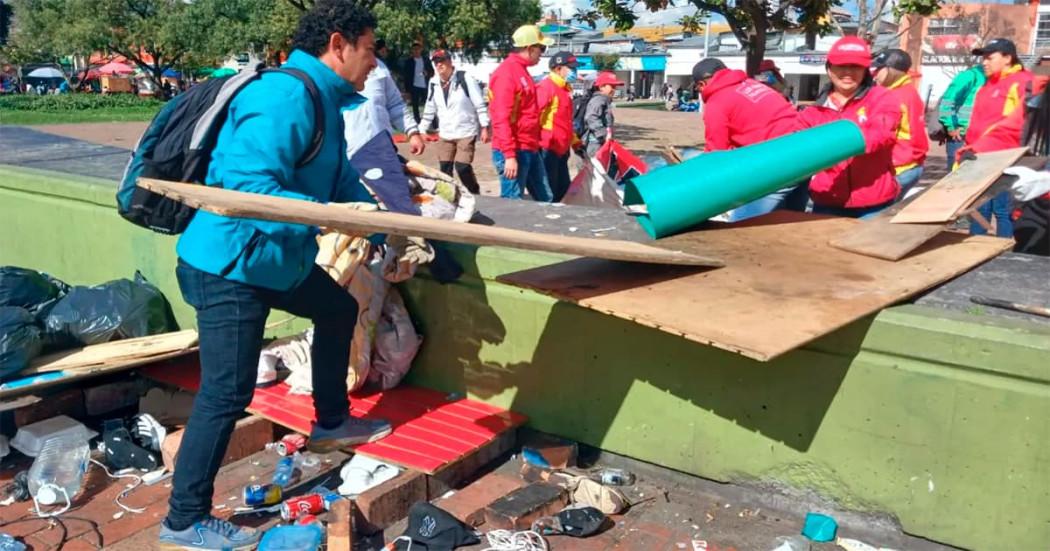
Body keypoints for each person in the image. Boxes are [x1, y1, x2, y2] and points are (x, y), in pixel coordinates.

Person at [158, 3, 391, 549]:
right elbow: (247, 189)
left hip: (275, 259)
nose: (374, 64)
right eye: (370, 49)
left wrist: (384, 222)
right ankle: (183, 520)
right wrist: (333, 215)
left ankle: (331, 421)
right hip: (231, 266)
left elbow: (339, 177)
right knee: (225, 390)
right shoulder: (284, 96)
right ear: (339, 44)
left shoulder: (323, 102)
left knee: (337, 309)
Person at [796, 36, 902, 218]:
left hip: (874, 203)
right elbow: (796, 149)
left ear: (865, 70)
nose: (847, 72)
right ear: (829, 69)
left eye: (855, 66)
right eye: (841, 66)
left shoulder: (882, 98)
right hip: (827, 200)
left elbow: (880, 135)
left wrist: (828, 145)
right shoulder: (812, 112)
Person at [690, 58, 804, 221]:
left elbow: (716, 156)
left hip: (779, 160)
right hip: (806, 150)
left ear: (701, 85)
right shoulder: (751, 84)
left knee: (740, 227)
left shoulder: (717, 103)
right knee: (791, 224)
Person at [959, 38, 1032, 238]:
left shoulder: (1022, 82)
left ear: (1007, 58)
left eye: (990, 57)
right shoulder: (987, 86)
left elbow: (1021, 125)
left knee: (1003, 211)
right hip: (978, 158)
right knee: (979, 209)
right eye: (983, 57)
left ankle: (1003, 255)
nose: (984, 62)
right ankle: (975, 251)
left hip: (1005, 160)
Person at [488, 24, 554, 201]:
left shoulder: (521, 72)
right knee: (513, 204)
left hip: (528, 147)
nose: (542, 53)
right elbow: (501, 118)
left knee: (545, 198)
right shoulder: (507, 74)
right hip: (514, 150)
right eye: (541, 48)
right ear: (529, 48)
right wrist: (509, 155)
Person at [418, 49, 490, 194]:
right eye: (436, 62)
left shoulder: (465, 78)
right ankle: (448, 197)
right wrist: (422, 129)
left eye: (442, 61)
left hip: (466, 131)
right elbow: (430, 107)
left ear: (450, 62)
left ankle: (474, 192)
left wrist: (485, 126)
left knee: (462, 166)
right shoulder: (433, 83)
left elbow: (479, 104)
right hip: (445, 132)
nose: (439, 65)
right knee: (445, 169)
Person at [871, 49, 929, 198]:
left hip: (900, 166)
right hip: (910, 164)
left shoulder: (894, 97)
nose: (874, 74)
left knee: (877, 214)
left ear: (892, 70)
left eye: (879, 69)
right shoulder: (908, 92)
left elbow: (878, 134)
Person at [363, 38, 425, 155]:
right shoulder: (330, 70)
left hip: (383, 149)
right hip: (347, 156)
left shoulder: (379, 68)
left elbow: (394, 104)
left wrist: (412, 132)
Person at [536, 51, 580, 201]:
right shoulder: (546, 87)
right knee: (550, 192)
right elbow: (534, 117)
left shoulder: (565, 89)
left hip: (562, 148)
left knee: (563, 191)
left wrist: (575, 142)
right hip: (548, 148)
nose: (574, 71)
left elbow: (566, 121)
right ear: (558, 68)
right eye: (571, 68)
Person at [937, 64, 985, 172]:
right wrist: (951, 126)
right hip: (960, 137)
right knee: (955, 180)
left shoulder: (998, 80)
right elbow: (948, 100)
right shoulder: (970, 76)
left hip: (981, 138)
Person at [582, 71, 624, 157]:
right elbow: (591, 117)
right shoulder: (599, 100)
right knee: (597, 169)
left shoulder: (604, 100)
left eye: (615, 87)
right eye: (611, 86)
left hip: (600, 142)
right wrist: (603, 134)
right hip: (596, 143)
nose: (614, 89)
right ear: (601, 87)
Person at [401, 42, 433, 123]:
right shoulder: (409, 62)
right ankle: (417, 120)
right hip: (414, 86)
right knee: (415, 105)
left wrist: (427, 73)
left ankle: (432, 120)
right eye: (414, 50)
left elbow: (432, 72)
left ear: (421, 50)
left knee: (428, 103)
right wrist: (407, 90)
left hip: (425, 85)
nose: (416, 51)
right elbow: (406, 76)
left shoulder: (425, 60)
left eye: (418, 49)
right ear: (412, 50)